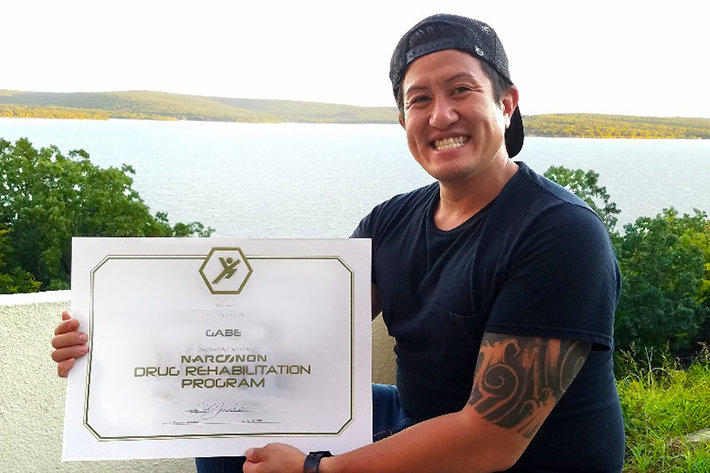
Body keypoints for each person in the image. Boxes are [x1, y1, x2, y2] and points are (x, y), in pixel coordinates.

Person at [52, 13, 625, 473]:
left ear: (505, 103)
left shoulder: (558, 233)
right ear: (403, 119)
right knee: (233, 427)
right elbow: (293, 332)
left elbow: (490, 440)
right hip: (415, 416)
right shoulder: (392, 221)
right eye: (419, 99)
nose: (441, 114)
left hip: (514, 458)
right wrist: (115, 350)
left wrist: (316, 468)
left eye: (461, 90)